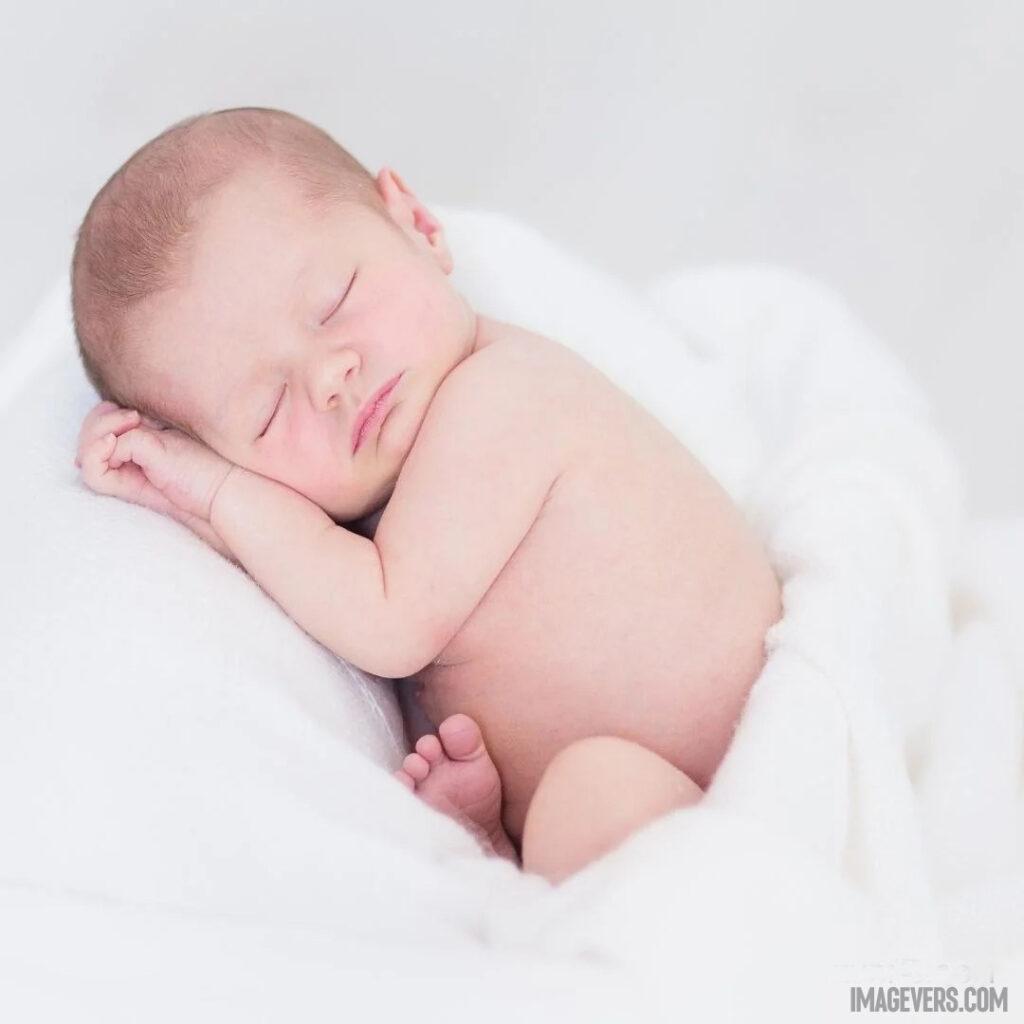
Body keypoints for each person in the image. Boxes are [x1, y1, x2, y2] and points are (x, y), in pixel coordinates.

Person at [73, 107, 781, 883]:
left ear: (416, 223)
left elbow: (388, 620)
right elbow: (308, 562)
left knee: (592, 801)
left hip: (734, 766)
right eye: (268, 411)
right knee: (578, 805)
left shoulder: (498, 398)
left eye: (335, 300)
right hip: (640, 781)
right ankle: (506, 852)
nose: (329, 374)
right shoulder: (371, 507)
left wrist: (213, 493)